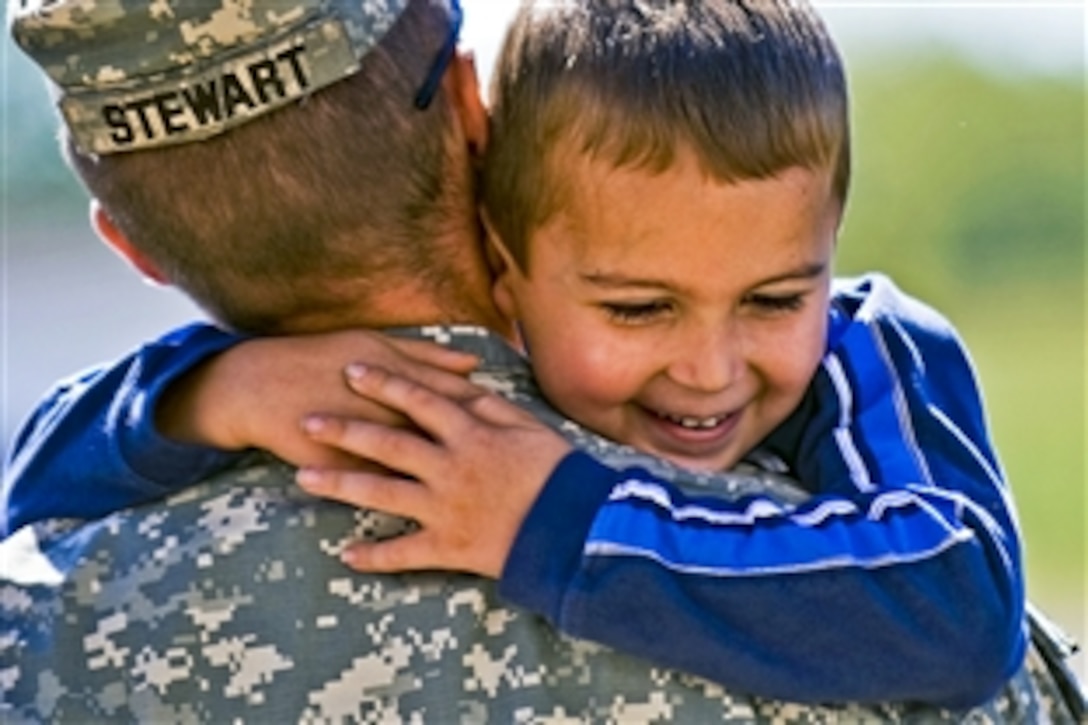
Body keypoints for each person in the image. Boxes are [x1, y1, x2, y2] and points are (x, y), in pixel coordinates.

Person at [2, 0, 1083, 718]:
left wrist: (557, 517)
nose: (708, 368)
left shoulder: (866, 350)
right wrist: (205, 389)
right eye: (637, 306)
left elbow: (956, 603)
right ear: (505, 251)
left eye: (773, 296)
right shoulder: (242, 401)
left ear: (128, 245)